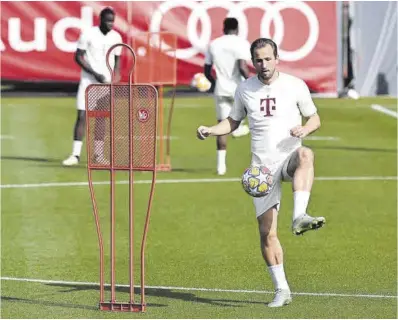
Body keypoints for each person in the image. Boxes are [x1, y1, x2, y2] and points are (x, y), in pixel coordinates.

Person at [197, 38, 326, 307]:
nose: (263, 64)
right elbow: (233, 121)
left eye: (268, 59)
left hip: (288, 157)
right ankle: (282, 290)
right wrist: (211, 130)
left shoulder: (294, 85)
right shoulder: (245, 89)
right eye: (258, 59)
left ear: (277, 58)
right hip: (261, 171)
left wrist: (305, 130)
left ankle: (299, 215)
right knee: (267, 233)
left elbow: (314, 117)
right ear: (252, 61)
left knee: (306, 154)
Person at [62, 7, 122, 166]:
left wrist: (116, 76)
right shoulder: (88, 34)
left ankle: (98, 155)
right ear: (101, 20)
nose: (110, 24)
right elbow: (78, 57)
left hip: (106, 83)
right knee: (82, 115)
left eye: (112, 21)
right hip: (89, 81)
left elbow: (117, 60)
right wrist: (94, 74)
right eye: (108, 21)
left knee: (101, 118)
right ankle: (75, 155)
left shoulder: (116, 37)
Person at [203, 17, 251, 175]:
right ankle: (237, 129)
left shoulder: (214, 44)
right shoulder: (241, 43)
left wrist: (215, 82)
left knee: (221, 126)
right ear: (237, 29)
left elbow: (207, 70)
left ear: (224, 28)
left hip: (221, 88)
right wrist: (253, 82)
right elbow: (242, 67)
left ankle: (220, 167)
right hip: (238, 88)